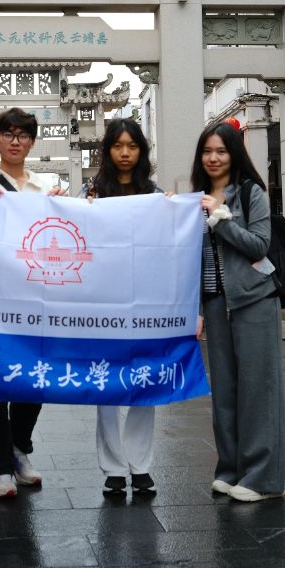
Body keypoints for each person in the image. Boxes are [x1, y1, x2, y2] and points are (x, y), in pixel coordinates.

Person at [0, 107, 65, 499]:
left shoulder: (46, 187)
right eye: (7, 133)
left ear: (33, 142)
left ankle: (19, 447)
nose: (15, 141)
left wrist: (66, 206)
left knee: (33, 381)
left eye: (23, 135)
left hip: (37, 299)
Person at [193, 121, 285, 503]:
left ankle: (263, 479)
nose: (213, 158)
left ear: (234, 154)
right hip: (216, 304)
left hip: (254, 300)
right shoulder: (196, 198)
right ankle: (229, 470)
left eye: (221, 151)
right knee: (225, 393)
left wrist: (221, 219)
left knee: (258, 391)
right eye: (207, 151)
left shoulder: (250, 192)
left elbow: (259, 244)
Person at [80, 118, 159, 496]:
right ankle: (113, 468)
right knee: (106, 386)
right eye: (117, 146)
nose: (125, 153)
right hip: (103, 301)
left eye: (132, 146)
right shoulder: (92, 192)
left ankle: (140, 466)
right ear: (107, 150)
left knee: (144, 383)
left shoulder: (154, 193)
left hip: (145, 299)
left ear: (141, 150)